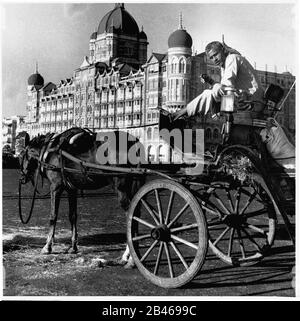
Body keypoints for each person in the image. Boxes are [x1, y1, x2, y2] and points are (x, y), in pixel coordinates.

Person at [172, 41, 295, 199]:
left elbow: (227, 86)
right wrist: (214, 84)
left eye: (216, 55)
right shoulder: (229, 62)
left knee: (208, 94)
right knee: (213, 92)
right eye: (211, 57)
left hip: (250, 105)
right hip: (247, 103)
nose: (214, 59)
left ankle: (178, 114)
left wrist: (214, 87)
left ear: (223, 51)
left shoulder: (232, 59)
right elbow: (228, 87)